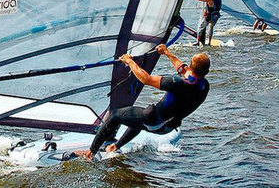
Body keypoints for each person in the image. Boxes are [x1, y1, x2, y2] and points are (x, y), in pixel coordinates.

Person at [77, 44, 210, 159]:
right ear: (206, 72)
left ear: (191, 67)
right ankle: (114, 147)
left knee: (115, 115)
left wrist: (129, 62)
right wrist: (167, 53)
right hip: (167, 127)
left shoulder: (177, 83)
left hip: (154, 121)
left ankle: (90, 153)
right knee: (137, 118)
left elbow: (146, 79)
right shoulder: (204, 86)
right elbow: (184, 70)